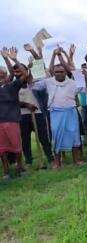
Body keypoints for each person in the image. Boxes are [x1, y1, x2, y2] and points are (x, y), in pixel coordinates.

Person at [30, 48, 85, 168]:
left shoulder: (72, 82)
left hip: (71, 112)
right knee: (56, 136)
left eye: (61, 71)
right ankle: (57, 162)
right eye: (57, 72)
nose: (59, 73)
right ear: (53, 73)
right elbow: (34, 84)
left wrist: (63, 55)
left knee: (74, 134)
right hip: (55, 113)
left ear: (65, 72)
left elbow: (80, 80)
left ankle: (76, 160)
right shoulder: (48, 82)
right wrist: (52, 56)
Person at [0, 47, 27, 179]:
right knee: (2, 149)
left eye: (2, 75)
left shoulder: (12, 86)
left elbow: (24, 75)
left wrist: (11, 58)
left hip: (12, 121)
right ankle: (6, 172)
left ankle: (20, 167)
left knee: (17, 147)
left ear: (6, 76)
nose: (0, 77)